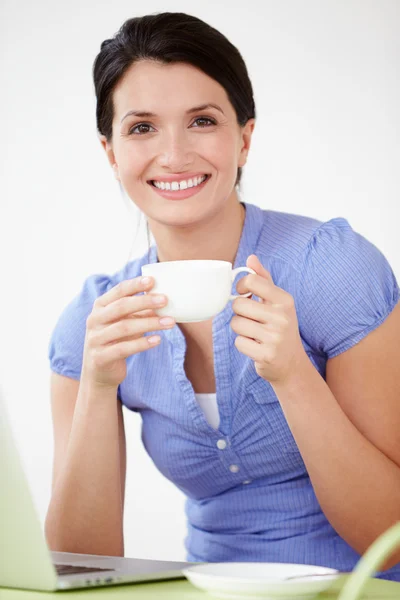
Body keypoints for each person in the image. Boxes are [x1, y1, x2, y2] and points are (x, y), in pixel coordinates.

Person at [45, 12, 400, 581]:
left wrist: (292, 376)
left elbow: (391, 536)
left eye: (202, 121)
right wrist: (96, 385)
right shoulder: (93, 323)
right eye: (141, 128)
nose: (174, 154)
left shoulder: (331, 268)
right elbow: (79, 567)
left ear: (245, 137)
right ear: (111, 153)